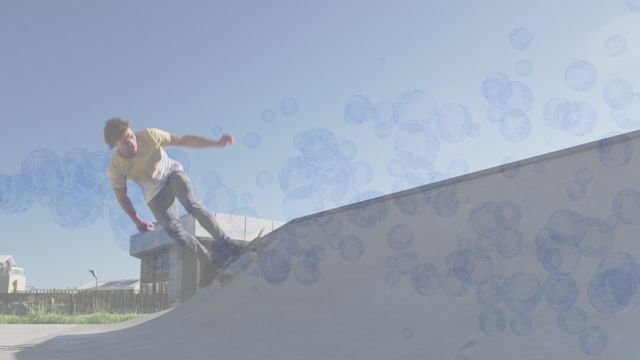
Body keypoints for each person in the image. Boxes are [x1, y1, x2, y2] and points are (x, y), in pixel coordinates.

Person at [103, 117, 241, 284]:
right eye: (124, 142)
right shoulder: (116, 167)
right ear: (115, 145)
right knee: (175, 232)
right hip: (154, 193)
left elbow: (184, 140)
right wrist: (137, 220)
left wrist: (216, 143)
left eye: (131, 136)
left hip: (171, 173)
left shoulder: (150, 135)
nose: (131, 143)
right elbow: (122, 197)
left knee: (191, 205)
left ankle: (226, 243)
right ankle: (210, 262)